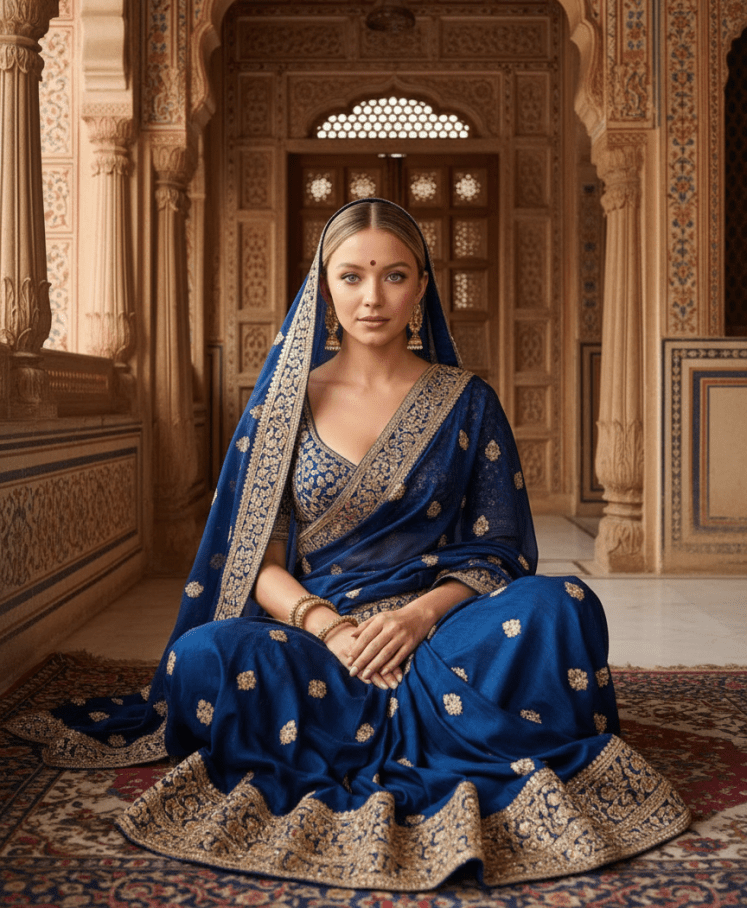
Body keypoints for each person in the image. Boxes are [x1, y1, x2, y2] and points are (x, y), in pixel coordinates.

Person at [7, 198, 690, 890]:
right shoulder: (283, 407)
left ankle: (361, 718)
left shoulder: (467, 400)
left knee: (561, 604)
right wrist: (330, 629)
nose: (372, 297)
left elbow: (499, 549)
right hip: (319, 639)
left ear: (421, 287)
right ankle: (440, 721)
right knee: (204, 654)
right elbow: (259, 563)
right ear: (323, 287)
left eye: (394, 275)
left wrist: (416, 617)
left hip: (441, 628)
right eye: (352, 276)